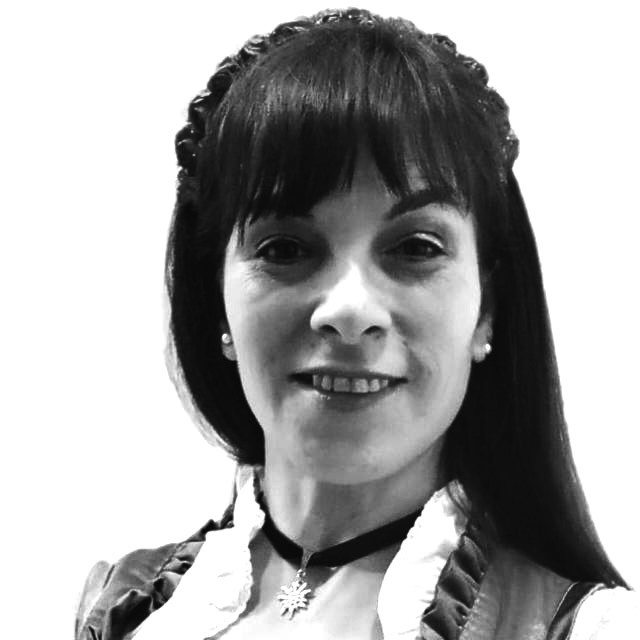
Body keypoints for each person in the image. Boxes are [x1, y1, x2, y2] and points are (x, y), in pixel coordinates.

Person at [75, 8, 636, 639]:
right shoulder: (124, 609)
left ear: (487, 308)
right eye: (285, 248)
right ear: (216, 300)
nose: (348, 311)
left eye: (416, 247)